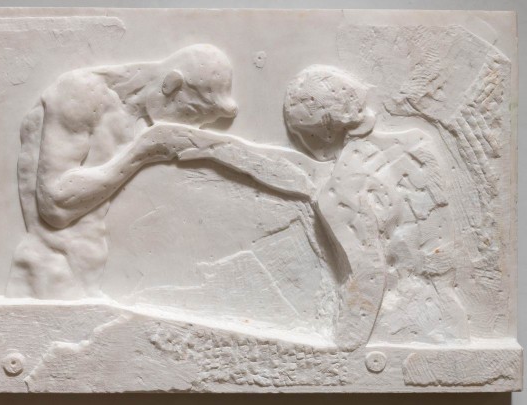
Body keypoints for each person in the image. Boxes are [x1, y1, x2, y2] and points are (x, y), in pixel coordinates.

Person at [146, 65, 467, 349]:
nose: (299, 142)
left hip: (399, 329)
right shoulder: (415, 145)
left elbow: (368, 276)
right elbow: (300, 171)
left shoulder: (342, 190)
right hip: (446, 321)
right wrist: (213, 147)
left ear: (322, 132)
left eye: (300, 134)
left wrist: (345, 350)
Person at [5, 44, 238, 299]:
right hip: (49, 276)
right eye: (191, 113)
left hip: (86, 277)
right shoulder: (81, 92)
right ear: (170, 85)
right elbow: (54, 203)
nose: (188, 127)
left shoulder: (135, 117)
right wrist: (141, 153)